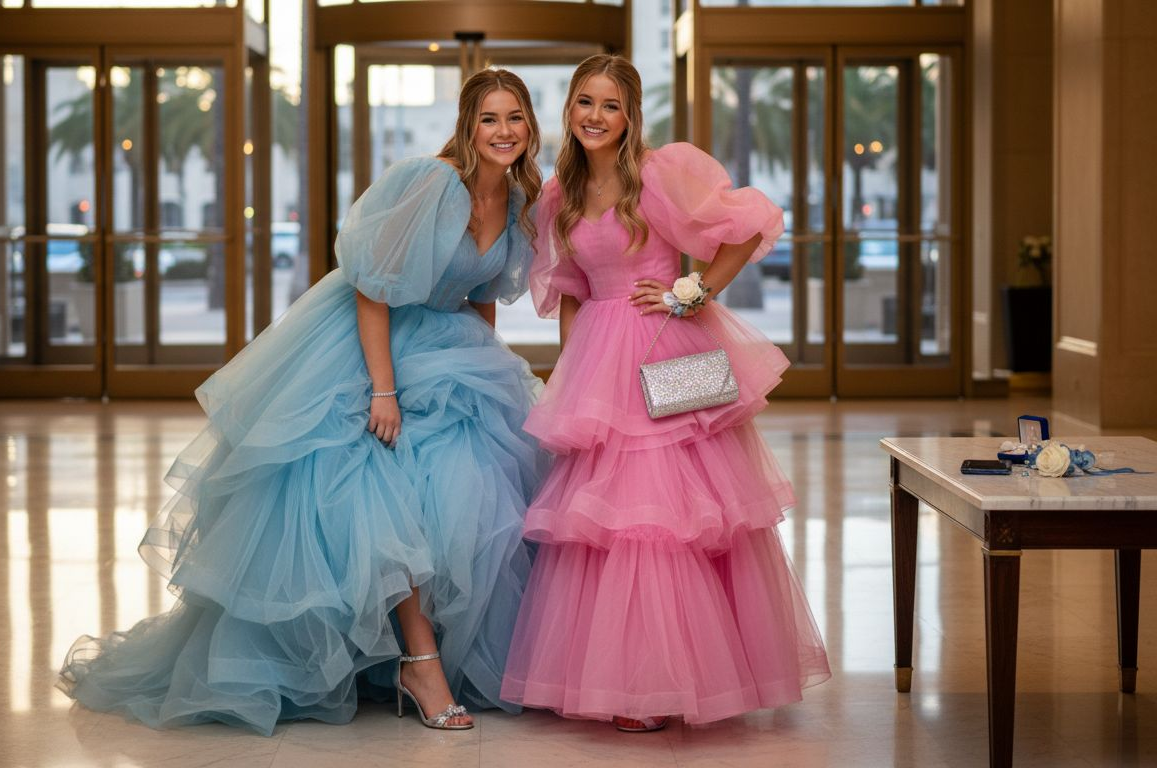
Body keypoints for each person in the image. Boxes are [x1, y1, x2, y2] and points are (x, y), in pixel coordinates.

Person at [59, 68, 546, 734]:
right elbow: (371, 287)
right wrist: (384, 391)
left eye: (515, 117)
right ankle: (419, 662)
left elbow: (482, 294)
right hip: (374, 347)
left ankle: (422, 656)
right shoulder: (431, 183)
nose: (504, 131)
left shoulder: (519, 199)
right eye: (489, 118)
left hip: (452, 354)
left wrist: (483, 375)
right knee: (382, 496)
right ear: (467, 125)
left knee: (468, 495)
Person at [501, 54, 830, 732]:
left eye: (611, 105)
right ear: (569, 109)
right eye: (586, 102)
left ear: (630, 117)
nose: (596, 116)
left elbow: (745, 227)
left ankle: (669, 683)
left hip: (662, 346)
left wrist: (696, 290)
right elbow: (570, 292)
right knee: (603, 524)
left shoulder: (651, 177)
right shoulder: (560, 193)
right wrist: (574, 379)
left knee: (668, 518)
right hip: (598, 360)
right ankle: (622, 677)